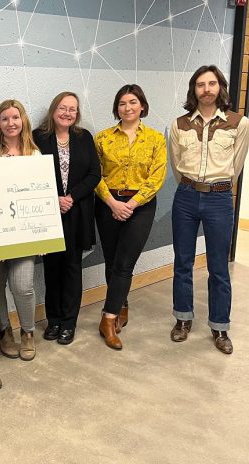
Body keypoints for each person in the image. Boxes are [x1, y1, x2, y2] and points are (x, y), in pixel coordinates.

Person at [169, 65, 249, 354]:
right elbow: (176, 165)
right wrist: (192, 186)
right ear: (194, 89)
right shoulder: (179, 124)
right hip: (186, 196)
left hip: (219, 198)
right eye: (200, 84)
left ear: (220, 87)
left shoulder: (239, 123)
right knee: (183, 262)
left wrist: (218, 186)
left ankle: (219, 327)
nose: (206, 89)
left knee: (218, 268)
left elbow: (236, 166)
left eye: (212, 83)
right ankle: (183, 319)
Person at [94, 84, 167, 350]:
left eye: (133, 102)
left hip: (141, 205)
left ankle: (108, 318)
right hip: (107, 203)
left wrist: (132, 204)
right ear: (117, 108)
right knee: (112, 261)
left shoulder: (156, 139)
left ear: (142, 106)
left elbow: (156, 176)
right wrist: (113, 202)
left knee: (125, 263)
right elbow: (95, 174)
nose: (128, 108)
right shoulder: (102, 138)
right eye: (122, 103)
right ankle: (121, 305)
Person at [33, 92, 101, 345]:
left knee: (72, 268)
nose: (68, 113)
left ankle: (69, 323)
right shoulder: (38, 138)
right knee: (52, 270)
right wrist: (54, 198)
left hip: (77, 212)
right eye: (63, 107)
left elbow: (95, 174)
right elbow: (31, 175)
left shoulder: (84, 138)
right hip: (49, 214)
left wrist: (71, 197)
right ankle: (54, 321)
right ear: (53, 110)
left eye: (73, 109)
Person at [0, 99, 40, 360]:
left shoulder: (35, 155)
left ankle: (28, 331)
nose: (10, 123)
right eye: (4, 118)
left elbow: (40, 199)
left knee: (23, 285)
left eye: (15, 117)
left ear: (23, 120)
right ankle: (5, 331)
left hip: (24, 235)